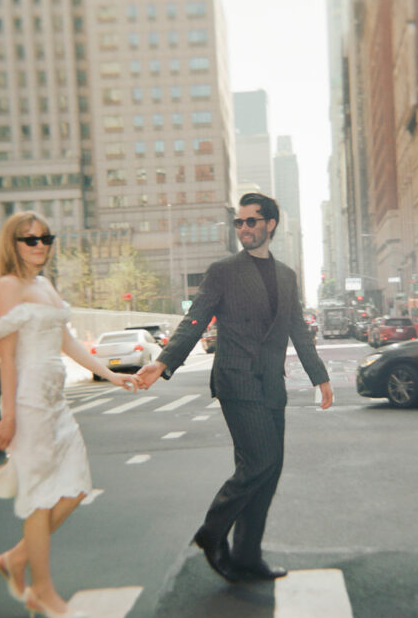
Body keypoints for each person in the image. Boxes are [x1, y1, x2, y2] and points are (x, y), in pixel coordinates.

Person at [136, 193, 334, 582]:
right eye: (239, 222)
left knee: (270, 469)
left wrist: (320, 376)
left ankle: (246, 554)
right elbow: (196, 320)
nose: (243, 228)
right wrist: (163, 361)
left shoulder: (287, 275)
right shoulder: (223, 271)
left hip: (271, 384)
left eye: (251, 221)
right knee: (258, 462)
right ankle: (212, 534)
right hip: (237, 381)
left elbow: (297, 330)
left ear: (270, 225)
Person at [0, 211, 140, 618]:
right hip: (28, 403)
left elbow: (66, 342)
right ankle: (42, 592)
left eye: (45, 237)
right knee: (41, 498)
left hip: (56, 401)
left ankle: (15, 559)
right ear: (13, 244)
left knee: (76, 486)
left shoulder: (44, 284)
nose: (40, 245)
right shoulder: (8, 286)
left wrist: (111, 375)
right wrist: (8, 415)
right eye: (30, 240)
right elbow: (6, 357)